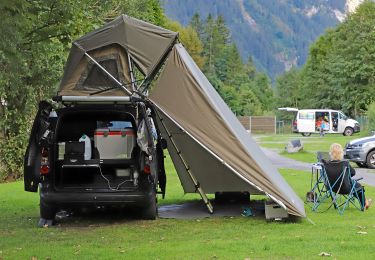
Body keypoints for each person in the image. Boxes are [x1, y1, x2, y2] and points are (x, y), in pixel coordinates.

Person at [324, 143, 371, 210]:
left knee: (353, 185)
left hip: (331, 187)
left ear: (330, 153)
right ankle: (364, 203)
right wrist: (345, 177)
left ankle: (365, 201)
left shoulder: (327, 164)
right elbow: (353, 173)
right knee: (357, 186)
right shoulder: (344, 163)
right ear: (341, 153)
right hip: (345, 188)